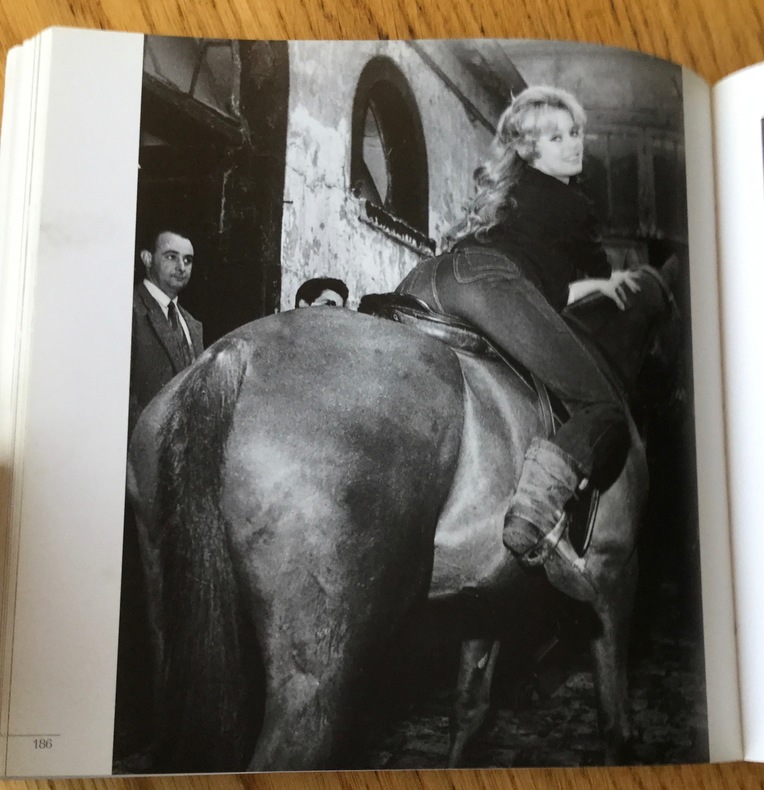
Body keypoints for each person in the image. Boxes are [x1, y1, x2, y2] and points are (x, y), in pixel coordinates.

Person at [396, 86, 641, 581]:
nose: (573, 145)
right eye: (556, 138)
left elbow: (542, 290)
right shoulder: (574, 205)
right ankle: (536, 511)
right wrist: (606, 279)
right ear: (530, 150)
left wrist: (594, 285)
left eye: (575, 132)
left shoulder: (504, 197)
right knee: (604, 407)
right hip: (490, 287)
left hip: (432, 278)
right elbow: (581, 273)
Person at [128, 227, 204, 437]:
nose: (181, 267)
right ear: (147, 258)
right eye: (171, 257)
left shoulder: (192, 324)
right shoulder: (128, 309)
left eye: (188, 260)